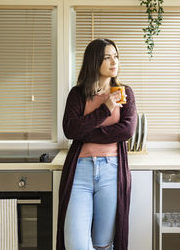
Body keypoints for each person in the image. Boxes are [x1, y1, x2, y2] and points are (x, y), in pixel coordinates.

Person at [57, 38, 137, 250]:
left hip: (112, 171)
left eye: (116, 56)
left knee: (103, 244)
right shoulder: (77, 94)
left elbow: (127, 131)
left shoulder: (125, 93)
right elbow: (70, 130)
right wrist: (106, 109)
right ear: (94, 61)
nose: (114, 61)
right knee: (76, 245)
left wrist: (86, 133)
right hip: (80, 172)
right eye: (107, 57)